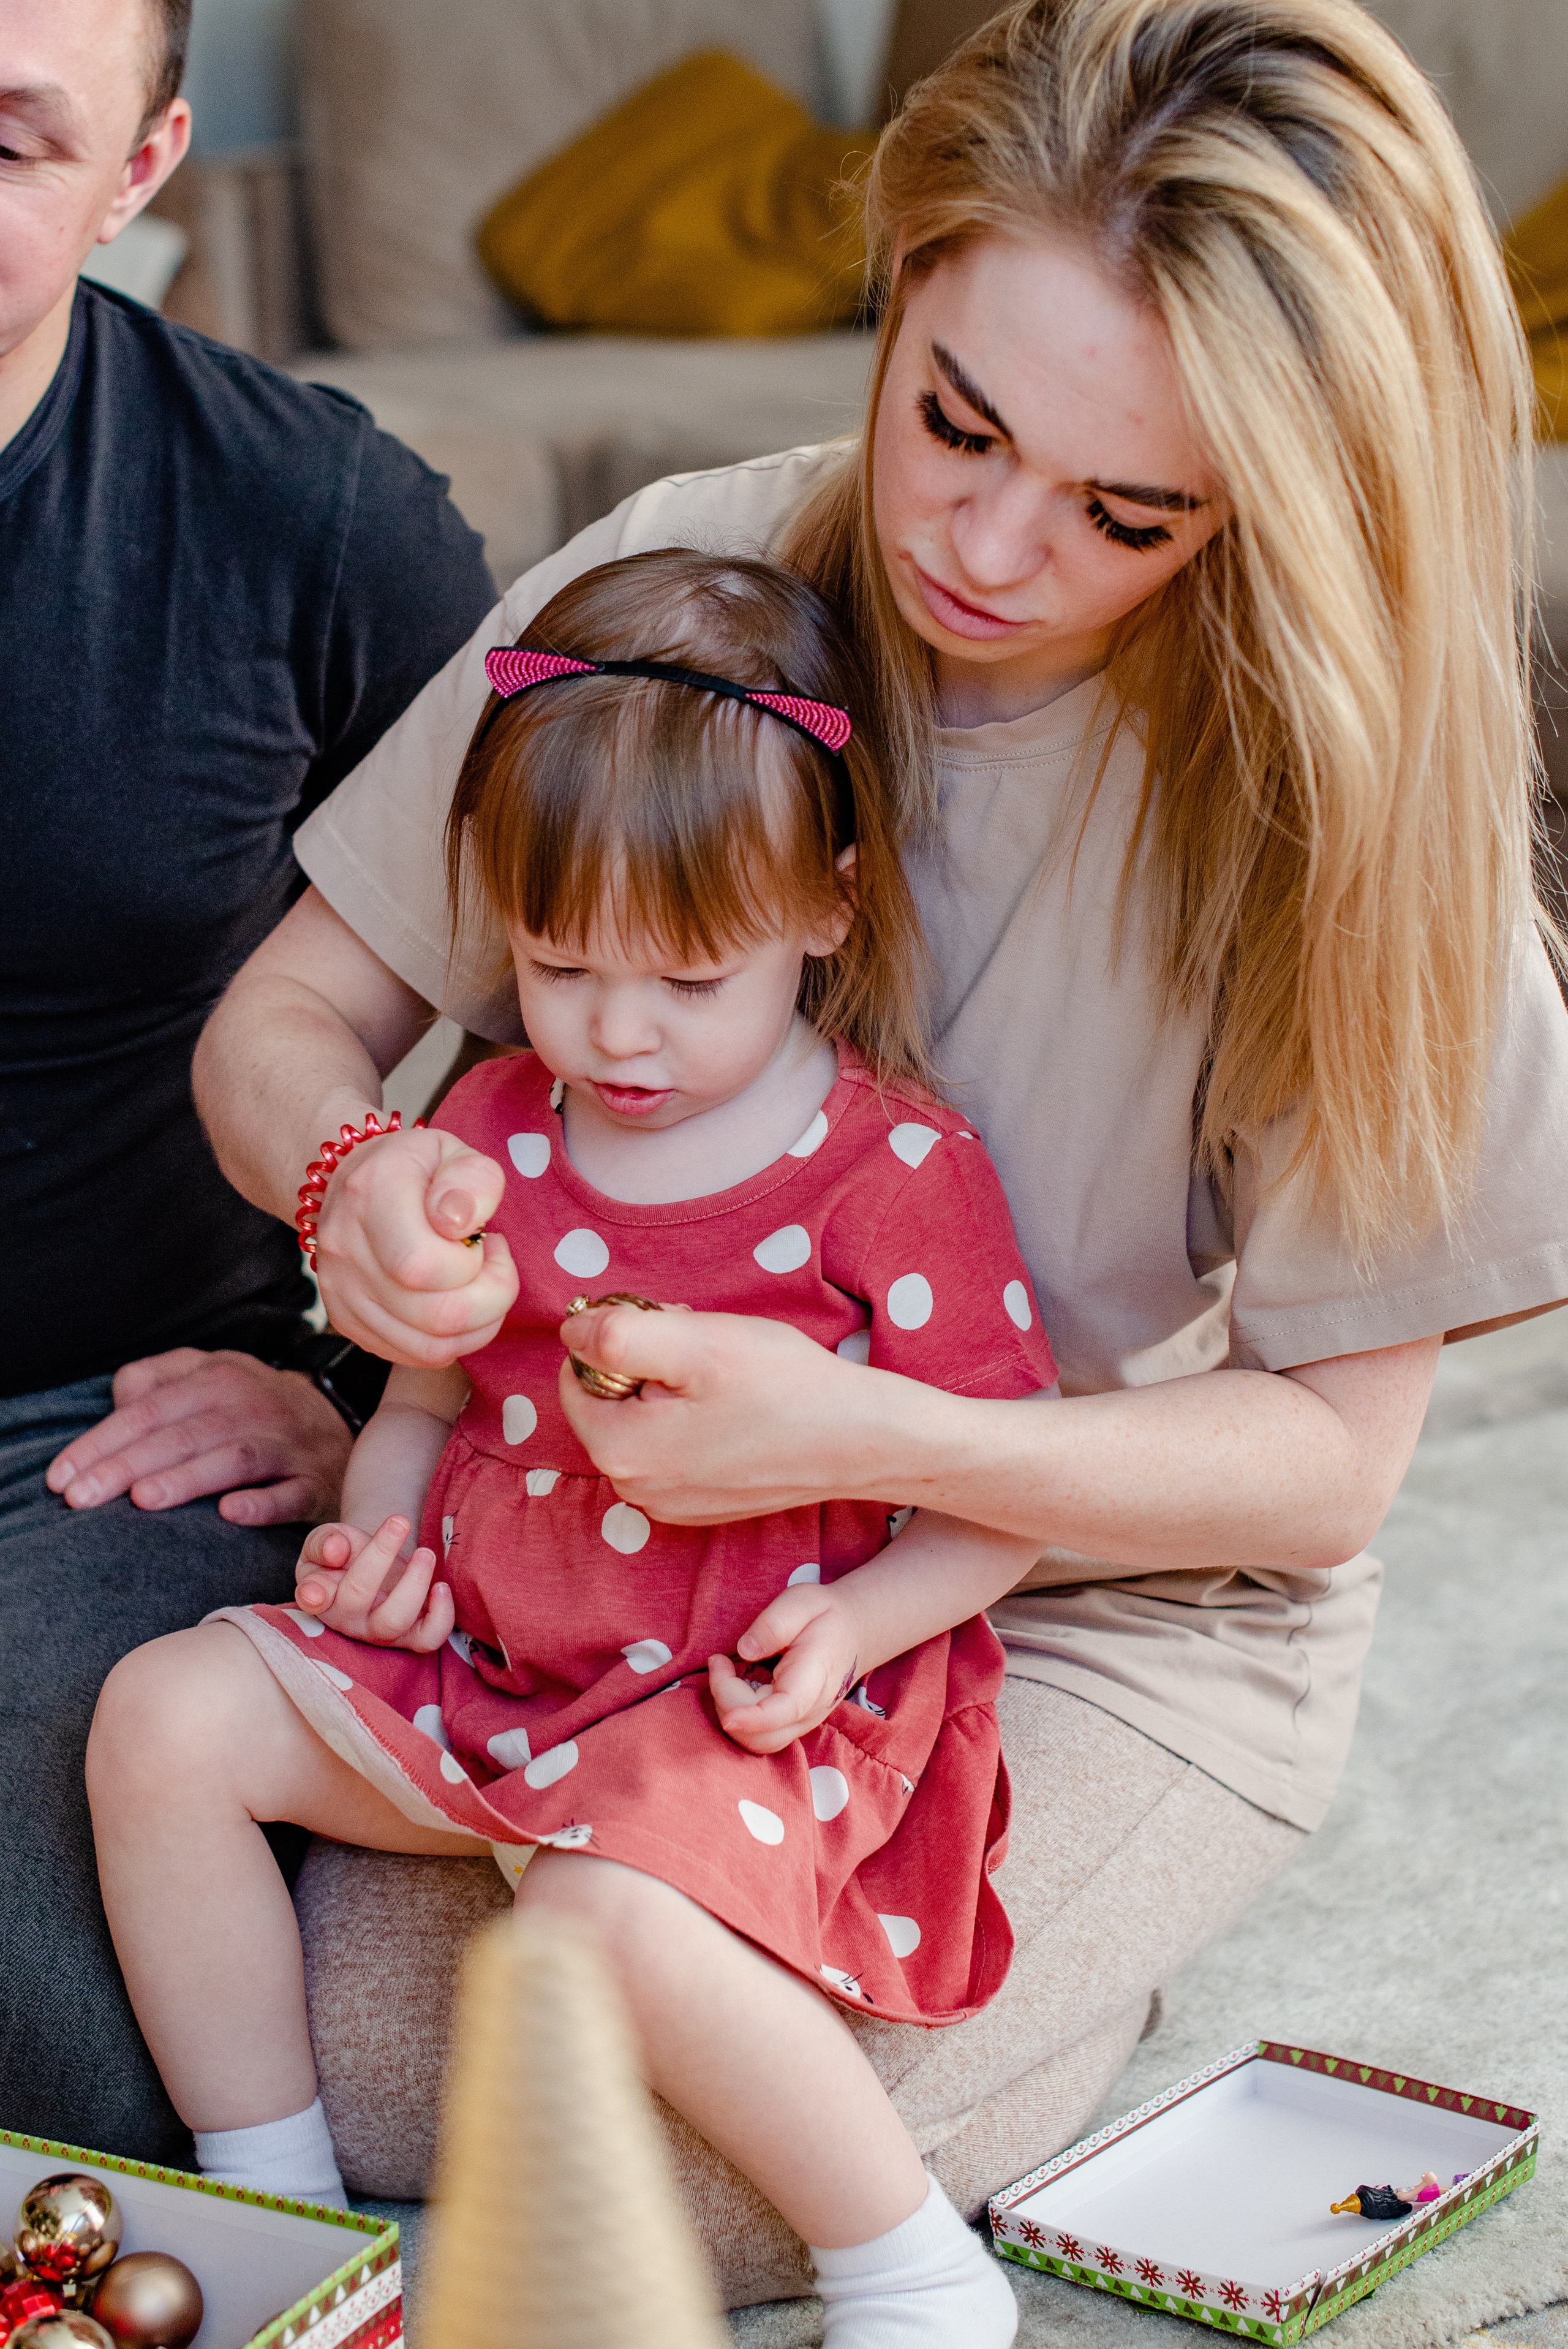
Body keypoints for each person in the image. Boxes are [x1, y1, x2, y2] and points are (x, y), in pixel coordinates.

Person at [189, 0, 1568, 2301]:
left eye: (1131, 510)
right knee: (309, 2014)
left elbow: (1321, 1470)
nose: (993, 549)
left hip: (1093, 1592)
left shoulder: (1338, 803)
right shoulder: (687, 599)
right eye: (954, 418)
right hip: (624, 1556)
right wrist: (356, 1203)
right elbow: (292, 1018)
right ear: (904, 277)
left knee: (665, 2161)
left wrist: (870, 1436)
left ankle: (1072, 1935)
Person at [92, 549, 1064, 2345]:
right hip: (493, 1654)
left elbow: (1001, 1475)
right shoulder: (488, 1128)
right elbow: (433, 1404)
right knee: (161, 1721)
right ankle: (278, 2213)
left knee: (607, 1919)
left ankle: (910, 2259)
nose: (618, 1031)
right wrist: (374, 1544)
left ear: (830, 911)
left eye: (692, 977)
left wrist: (863, 1625)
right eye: (558, 964)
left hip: (747, 1689)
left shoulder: (892, 1176)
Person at [0, 0, 496, 2162]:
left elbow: (542, 1043)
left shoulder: (323, 526)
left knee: (63, 1931)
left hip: (108, 1421)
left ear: (142, 171)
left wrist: (372, 1405)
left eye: (11, 135)